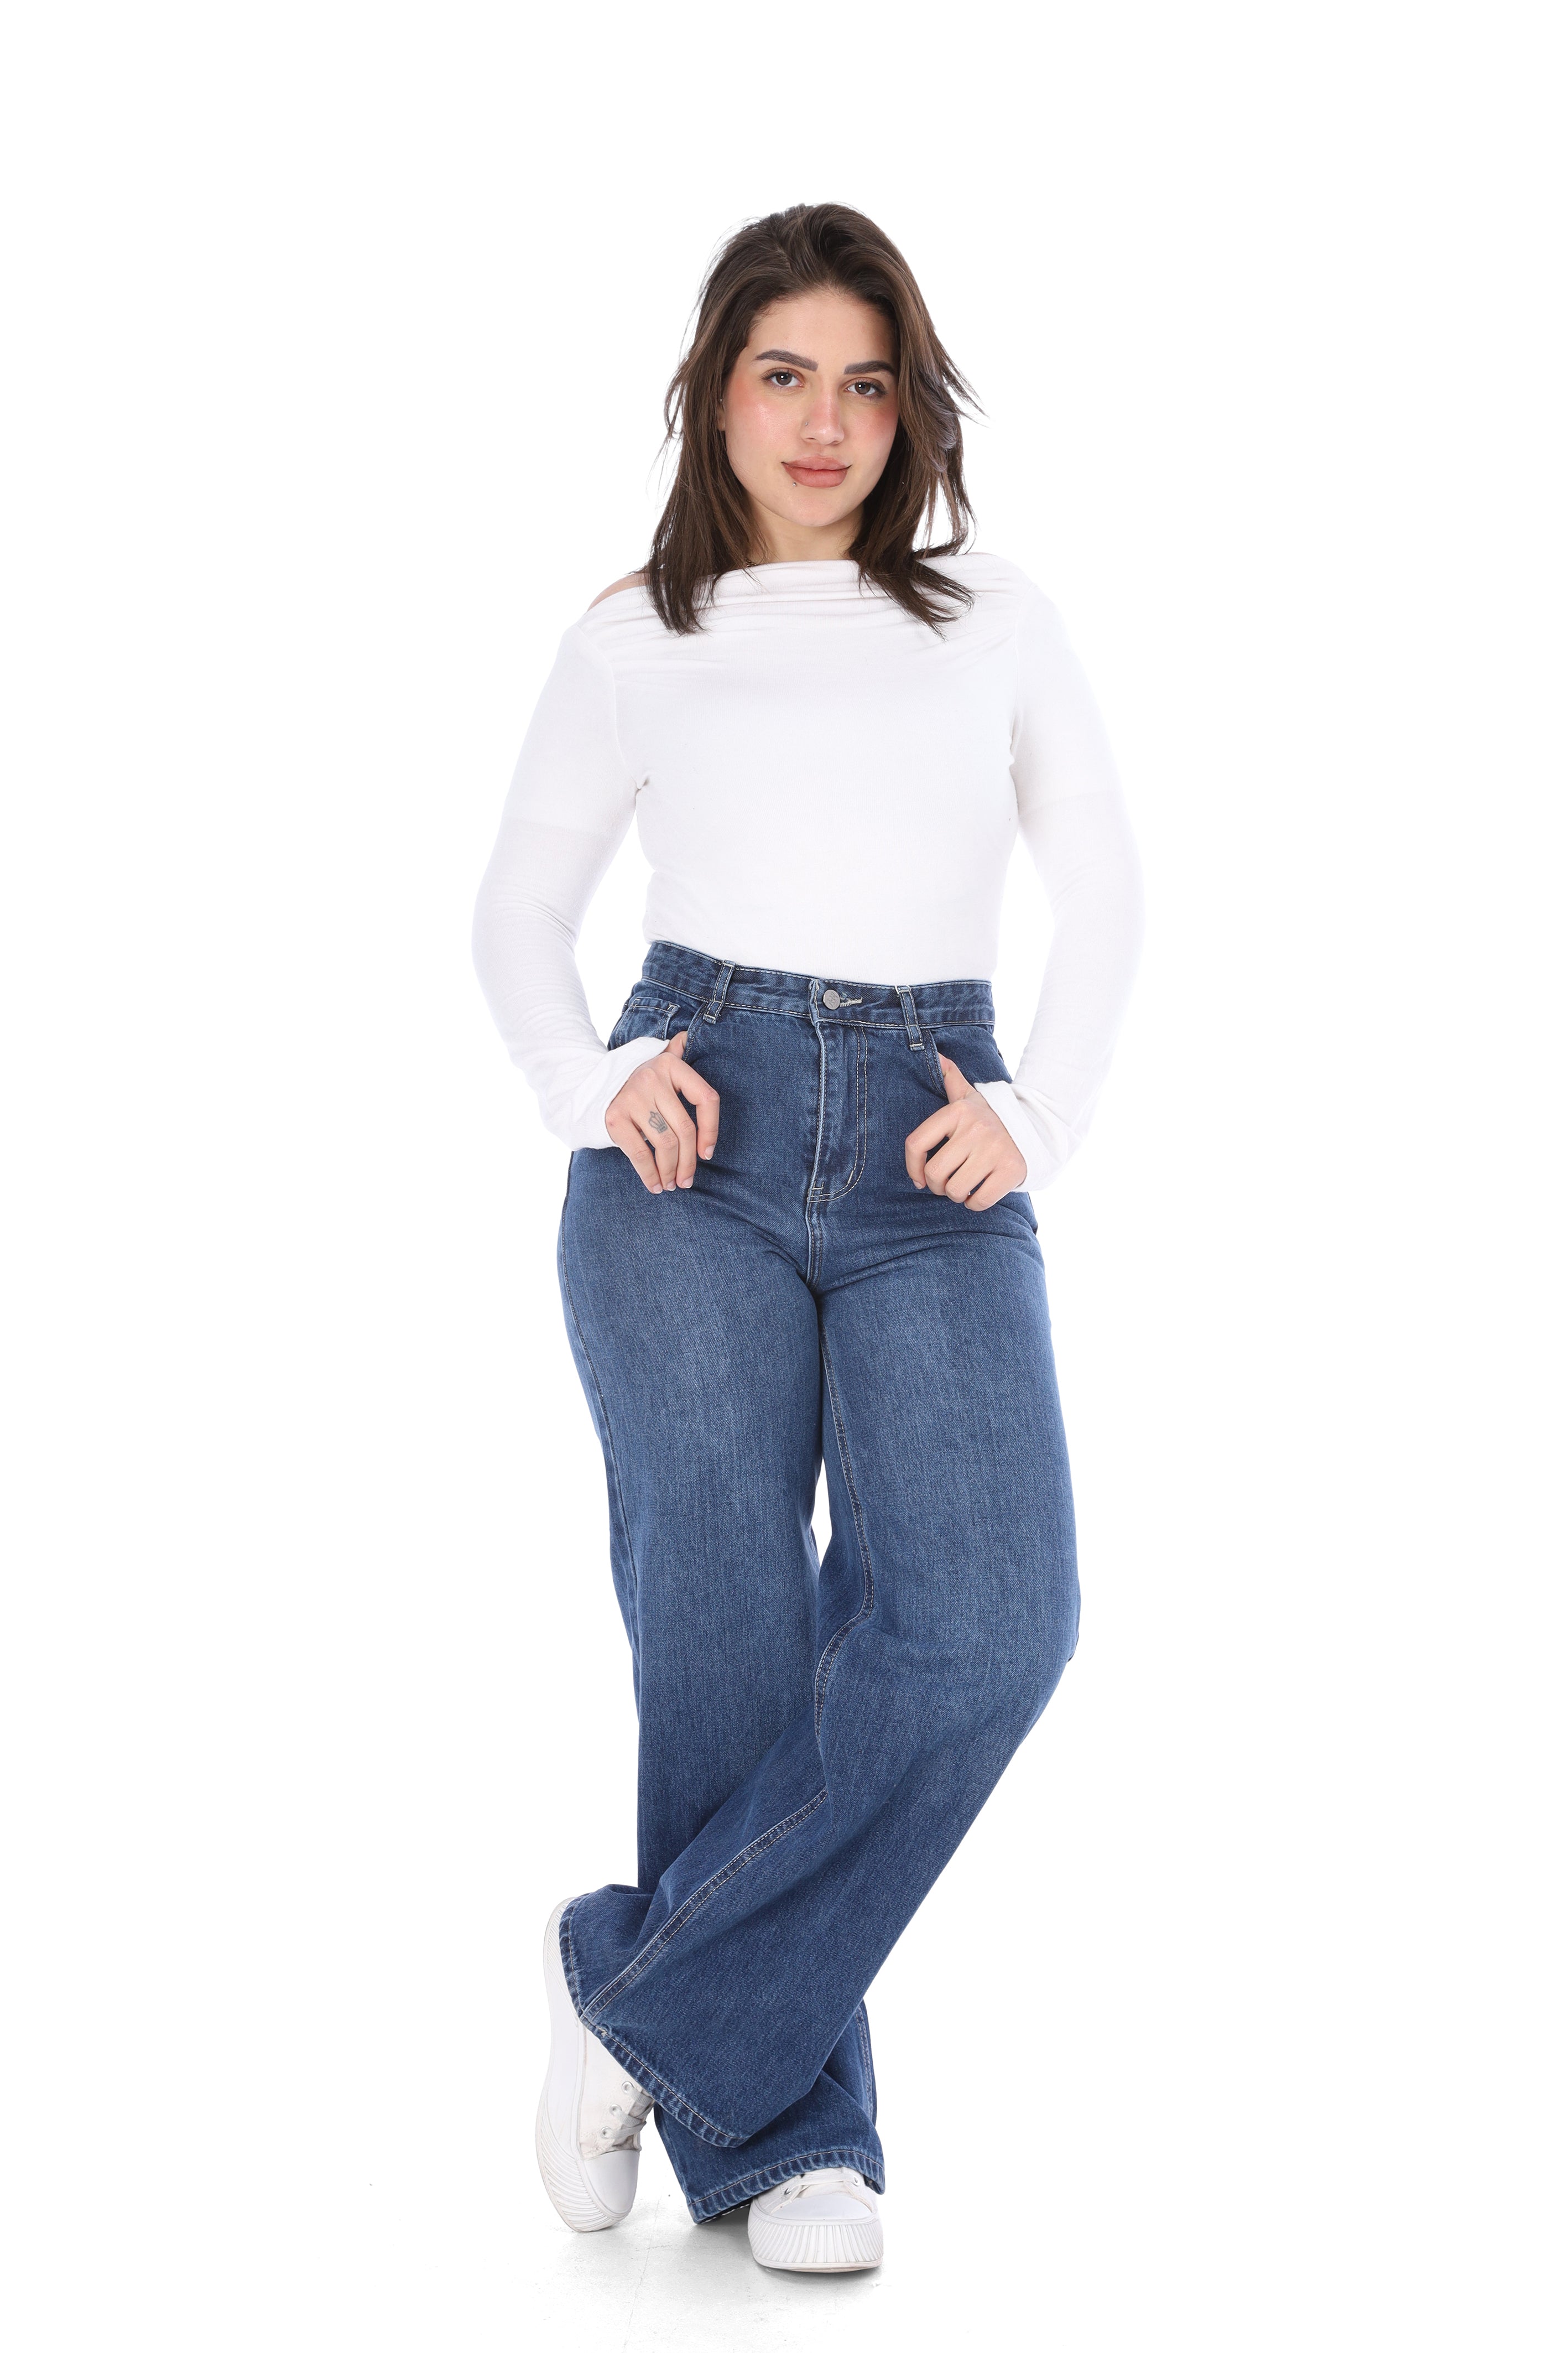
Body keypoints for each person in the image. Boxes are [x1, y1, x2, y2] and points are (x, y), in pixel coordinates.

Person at [472, 201, 1144, 2276]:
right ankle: (780, 2140)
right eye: (785, 376)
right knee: (727, 1636)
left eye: (866, 381)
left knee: (993, 1619)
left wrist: (1038, 1113)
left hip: (939, 1143)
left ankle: (637, 2002)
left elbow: (1105, 881)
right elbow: (518, 908)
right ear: (717, 395)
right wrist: (589, 1084)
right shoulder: (634, 635)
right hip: (698, 1130)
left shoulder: (992, 616)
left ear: (908, 407)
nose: (826, 420)